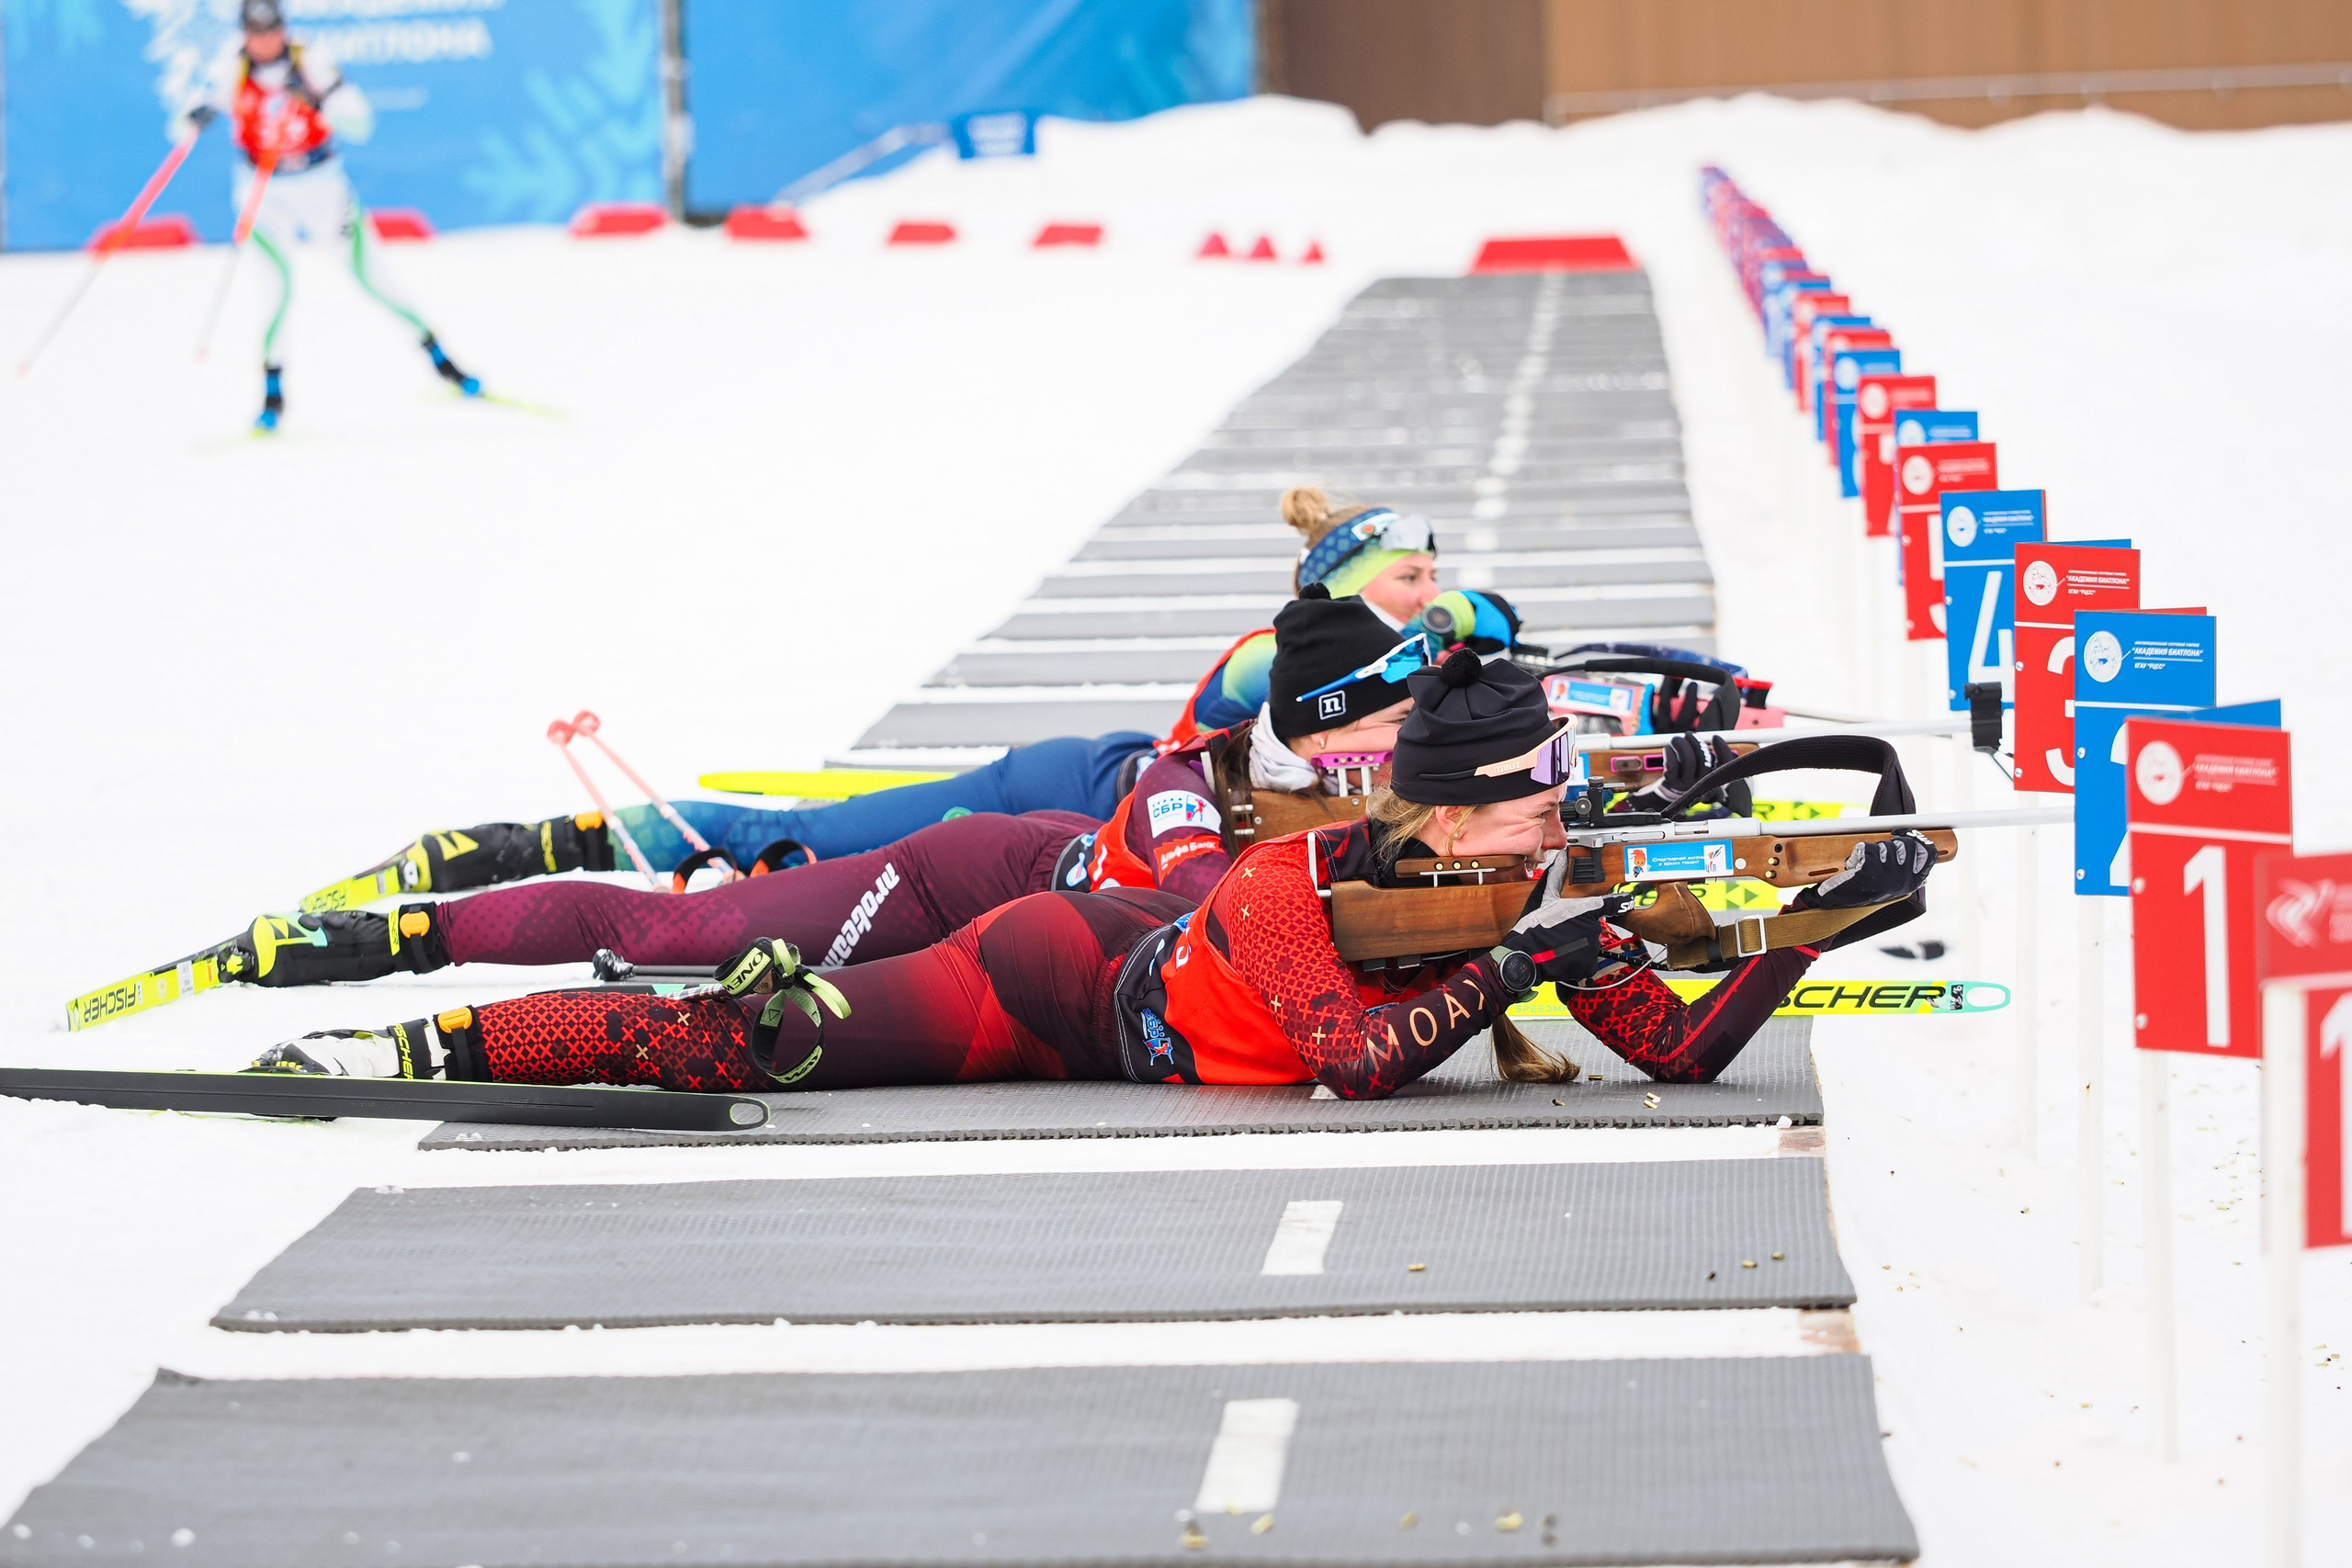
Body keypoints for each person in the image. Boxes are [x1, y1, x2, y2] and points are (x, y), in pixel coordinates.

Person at [254, 649, 1939, 1098]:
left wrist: (1805, 928)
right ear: (1434, 818)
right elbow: (1347, 1069)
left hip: (1142, 942)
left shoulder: (1498, 898)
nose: (1549, 835)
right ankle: (410, 1037)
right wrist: (1532, 963)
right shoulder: (1307, 887)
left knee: (734, 985)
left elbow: (1683, 1049)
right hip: (1055, 976)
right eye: (1525, 813)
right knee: (746, 1018)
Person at [200, 595, 1418, 987]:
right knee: (779, 851)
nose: (1410, 710)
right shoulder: (1240, 731)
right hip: (1053, 804)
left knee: (774, 906)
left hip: (1052, 881)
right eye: (1388, 693)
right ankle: (522, 844)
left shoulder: (1369, 748)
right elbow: (1221, 867)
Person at [175, 0, 481, 429]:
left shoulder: (309, 60)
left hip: (321, 187)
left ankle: (443, 362)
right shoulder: (232, 68)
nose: (264, 41)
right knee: (274, 288)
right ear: (243, 33)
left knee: (372, 276)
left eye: (271, 30)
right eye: (254, 32)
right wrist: (197, 115)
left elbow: (360, 125)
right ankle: (272, 395)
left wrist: (318, 102)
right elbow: (187, 119)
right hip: (264, 191)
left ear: (283, 28)